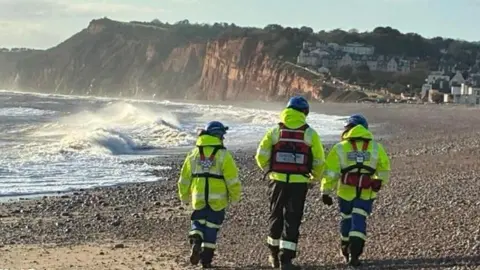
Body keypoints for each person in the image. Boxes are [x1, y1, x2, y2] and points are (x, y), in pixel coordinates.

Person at [255, 96, 326, 270]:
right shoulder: (310, 133)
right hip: (299, 183)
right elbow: (319, 161)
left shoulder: (275, 131)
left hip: (277, 181)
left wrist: (269, 170)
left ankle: (273, 254)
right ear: (304, 112)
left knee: (275, 215)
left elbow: (261, 155)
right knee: (292, 219)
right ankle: (286, 260)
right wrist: (313, 179)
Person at [320, 114, 390, 267]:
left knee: (346, 218)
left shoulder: (340, 148)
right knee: (359, 219)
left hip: (345, 192)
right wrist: (379, 182)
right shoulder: (376, 147)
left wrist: (325, 191)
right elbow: (384, 169)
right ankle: (355, 255)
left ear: (347, 129)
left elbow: (331, 172)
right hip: (366, 193)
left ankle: (345, 248)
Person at [177, 121, 242, 269]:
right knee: (212, 226)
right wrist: (235, 196)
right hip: (217, 199)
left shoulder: (193, 154)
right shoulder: (224, 155)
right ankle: (206, 260)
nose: (223, 139)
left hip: (198, 197)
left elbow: (184, 178)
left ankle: (195, 240)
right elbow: (232, 180)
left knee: (197, 221)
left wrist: (184, 196)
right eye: (222, 136)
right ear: (218, 136)